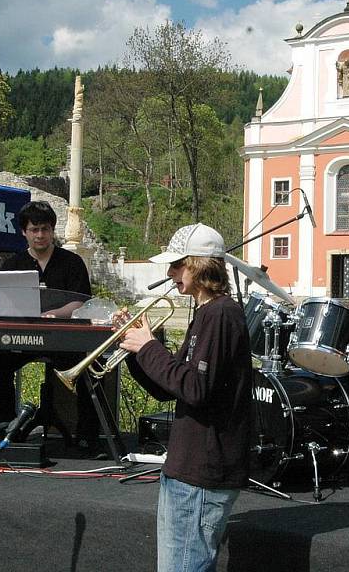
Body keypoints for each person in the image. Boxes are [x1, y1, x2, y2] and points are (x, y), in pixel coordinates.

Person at [118, 223, 251, 572]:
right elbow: (169, 388)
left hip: (201, 475)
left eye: (177, 265)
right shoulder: (206, 314)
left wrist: (148, 347)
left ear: (199, 265)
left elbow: (195, 388)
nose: (171, 273)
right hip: (188, 469)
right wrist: (135, 350)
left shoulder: (220, 315)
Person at [0, 201, 99, 450]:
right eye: (34, 229)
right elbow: (4, 305)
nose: (40, 235)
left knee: (90, 369)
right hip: (20, 339)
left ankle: (89, 435)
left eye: (45, 229)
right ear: (24, 232)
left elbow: (82, 302)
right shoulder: (12, 265)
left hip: (63, 339)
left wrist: (57, 314)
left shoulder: (72, 262)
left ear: (52, 230)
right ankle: (4, 426)